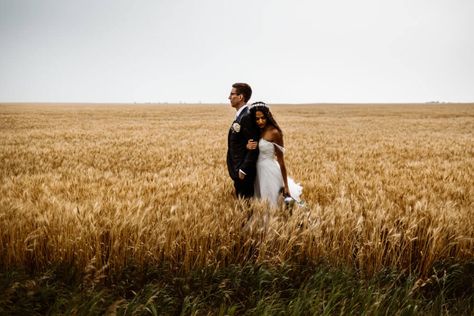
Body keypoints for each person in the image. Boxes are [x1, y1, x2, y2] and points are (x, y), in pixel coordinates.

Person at [247, 102, 302, 207]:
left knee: (271, 204)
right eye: (257, 119)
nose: (260, 121)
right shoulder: (257, 131)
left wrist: (286, 185)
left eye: (263, 118)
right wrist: (247, 146)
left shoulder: (274, 133)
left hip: (269, 173)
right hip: (257, 173)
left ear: (268, 116)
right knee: (260, 204)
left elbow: (281, 160)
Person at [226, 83, 260, 199]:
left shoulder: (246, 116)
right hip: (237, 170)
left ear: (241, 97)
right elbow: (244, 143)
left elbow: (254, 146)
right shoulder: (241, 115)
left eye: (232, 94)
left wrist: (243, 170)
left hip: (243, 173)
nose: (229, 97)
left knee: (246, 205)